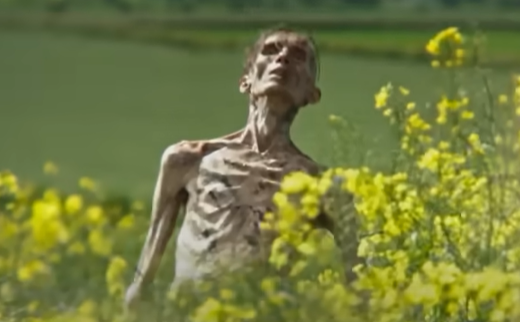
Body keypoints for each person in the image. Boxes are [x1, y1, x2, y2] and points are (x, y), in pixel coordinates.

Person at [124, 27, 358, 310]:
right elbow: (146, 265)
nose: (282, 59)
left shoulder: (323, 184)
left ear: (312, 94)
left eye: (298, 56)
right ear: (245, 81)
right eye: (271, 51)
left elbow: (358, 282)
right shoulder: (186, 159)